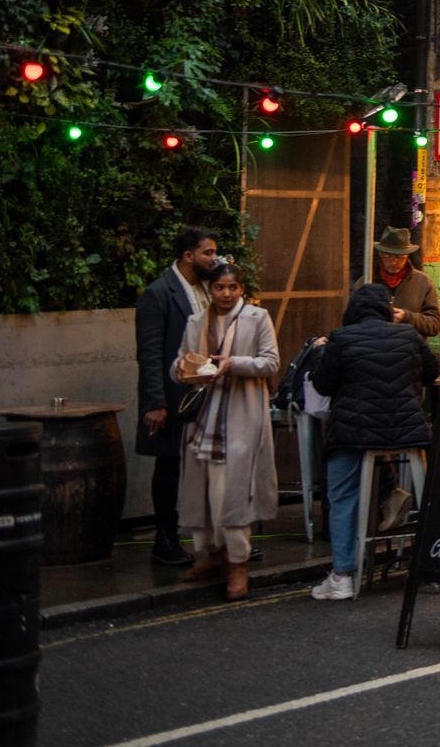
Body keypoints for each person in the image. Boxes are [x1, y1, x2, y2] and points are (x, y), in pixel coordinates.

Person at [307, 283, 440, 602]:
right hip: (407, 434)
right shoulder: (408, 335)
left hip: (354, 432)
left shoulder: (340, 338)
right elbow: (433, 371)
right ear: (385, 309)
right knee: (420, 488)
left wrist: (319, 352)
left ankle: (342, 575)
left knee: (341, 492)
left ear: (353, 310)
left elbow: (323, 385)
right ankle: (432, 564)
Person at [171, 262, 279, 600]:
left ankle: (238, 564)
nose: (226, 294)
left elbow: (271, 362)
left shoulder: (257, 319)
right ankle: (211, 555)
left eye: (233, 288)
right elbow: (180, 364)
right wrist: (184, 369)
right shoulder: (196, 322)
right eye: (220, 288)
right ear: (210, 290)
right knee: (202, 495)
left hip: (240, 419)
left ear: (241, 289)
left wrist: (235, 364)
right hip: (203, 419)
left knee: (231, 496)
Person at [133, 224, 218, 566]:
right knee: (168, 466)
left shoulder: (208, 290)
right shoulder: (159, 293)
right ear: (188, 256)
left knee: (207, 466)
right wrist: (155, 403)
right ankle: (164, 540)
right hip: (172, 395)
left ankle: (219, 542)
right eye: (207, 253)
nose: (214, 258)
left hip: (205, 393)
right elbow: (150, 352)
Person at [374, 226, 440, 338]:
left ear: (407, 256)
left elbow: (435, 325)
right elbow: (353, 322)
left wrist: (407, 317)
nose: (394, 261)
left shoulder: (424, 283)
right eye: (388, 255)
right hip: (375, 352)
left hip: (411, 353)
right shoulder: (366, 282)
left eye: (400, 256)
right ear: (381, 254)